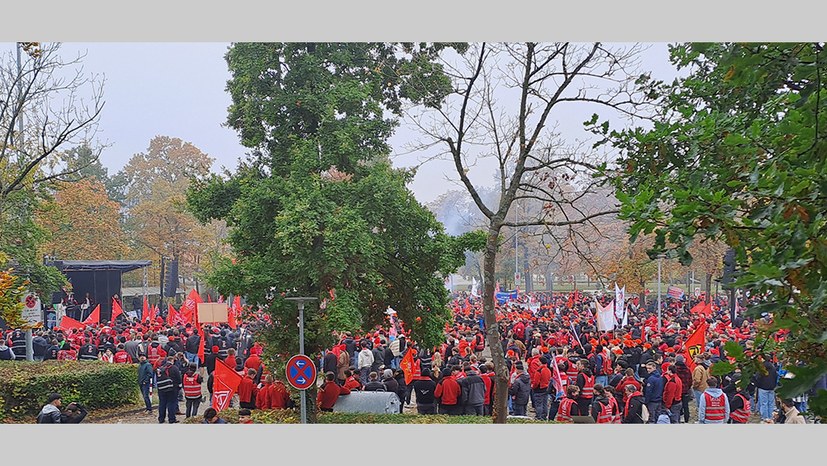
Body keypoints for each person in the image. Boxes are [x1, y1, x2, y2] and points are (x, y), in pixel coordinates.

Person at [156, 356, 182, 424]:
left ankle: (161, 419)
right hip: (172, 388)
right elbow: (178, 378)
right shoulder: (174, 368)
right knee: (171, 403)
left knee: (162, 403)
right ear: (172, 360)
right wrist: (179, 386)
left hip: (161, 388)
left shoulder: (160, 368)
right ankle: (171, 419)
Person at [753, 353, 778, 422]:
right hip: (771, 387)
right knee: (771, 403)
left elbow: (758, 377)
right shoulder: (773, 367)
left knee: (764, 403)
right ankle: (770, 417)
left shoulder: (762, 367)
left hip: (763, 387)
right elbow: (776, 376)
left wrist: (757, 384)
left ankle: (765, 418)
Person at [674, 354, 694, 423]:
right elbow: (690, 380)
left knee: (676, 405)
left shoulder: (674, 369)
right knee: (686, 406)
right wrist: (688, 388)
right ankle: (686, 419)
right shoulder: (687, 369)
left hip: (676, 391)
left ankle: (678, 418)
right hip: (685, 390)